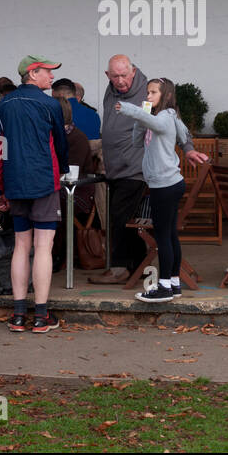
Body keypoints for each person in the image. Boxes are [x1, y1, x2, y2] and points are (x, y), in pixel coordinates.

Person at [0, 56, 68, 332]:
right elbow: (59, 144)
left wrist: (0, 185)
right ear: (32, 74)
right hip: (44, 181)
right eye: (48, 71)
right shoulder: (50, 105)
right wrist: (63, 171)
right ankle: (41, 315)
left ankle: (19, 314)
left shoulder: (3, 106)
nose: (51, 76)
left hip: (14, 182)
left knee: (22, 245)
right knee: (43, 246)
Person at [116, 78, 209, 302]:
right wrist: (142, 118)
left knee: (163, 237)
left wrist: (131, 110)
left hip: (165, 184)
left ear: (166, 95)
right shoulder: (159, 117)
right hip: (164, 183)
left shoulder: (165, 117)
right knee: (169, 235)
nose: (148, 96)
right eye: (147, 92)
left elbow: (159, 127)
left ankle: (165, 285)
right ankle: (175, 282)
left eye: (153, 93)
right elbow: (137, 142)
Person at [90, 55, 149, 285]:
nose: (121, 80)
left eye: (124, 75)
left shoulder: (146, 92)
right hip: (115, 169)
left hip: (134, 168)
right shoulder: (111, 89)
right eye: (115, 76)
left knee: (119, 217)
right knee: (126, 219)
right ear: (108, 76)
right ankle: (140, 265)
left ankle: (120, 268)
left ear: (133, 72)